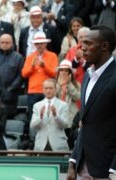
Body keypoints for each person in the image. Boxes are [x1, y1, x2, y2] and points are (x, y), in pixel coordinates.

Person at [67, 25, 116, 179]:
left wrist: (114, 170)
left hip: (108, 169)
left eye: (88, 43)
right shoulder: (88, 75)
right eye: (82, 43)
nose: (82, 47)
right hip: (85, 168)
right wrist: (73, 161)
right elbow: (85, 123)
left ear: (104, 46)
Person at [30, 78, 70, 151]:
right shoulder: (37, 105)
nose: (48, 90)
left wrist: (55, 115)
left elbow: (66, 125)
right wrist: (40, 117)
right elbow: (32, 125)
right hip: (41, 145)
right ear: (43, 90)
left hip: (58, 145)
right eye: (46, 88)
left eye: (51, 88)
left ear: (55, 89)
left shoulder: (63, 105)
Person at [0, 33, 24, 118]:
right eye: (2, 42)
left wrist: (11, 88)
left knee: (8, 117)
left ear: (12, 43)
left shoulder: (18, 57)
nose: (4, 44)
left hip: (11, 94)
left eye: (7, 42)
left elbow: (21, 75)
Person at [55, 60, 80, 125]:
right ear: (59, 72)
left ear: (70, 73)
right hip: (57, 114)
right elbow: (51, 97)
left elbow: (77, 97)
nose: (63, 72)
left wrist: (69, 84)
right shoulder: (53, 83)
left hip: (71, 116)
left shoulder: (76, 84)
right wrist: (59, 85)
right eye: (61, 70)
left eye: (66, 71)